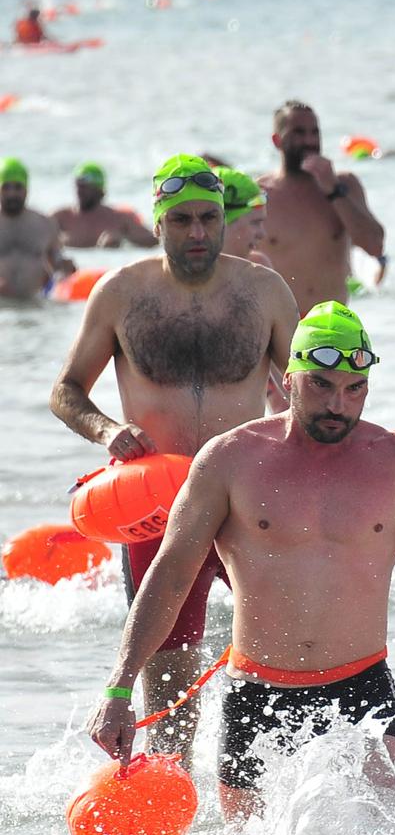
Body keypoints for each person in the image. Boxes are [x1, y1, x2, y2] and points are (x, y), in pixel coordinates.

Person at [88, 302, 395, 819]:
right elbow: (169, 577)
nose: (339, 404)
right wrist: (119, 687)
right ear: (288, 379)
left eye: (354, 389)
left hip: (362, 689)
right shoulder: (228, 460)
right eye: (322, 385)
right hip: (255, 694)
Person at [52, 156, 298, 758]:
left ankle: (255, 813)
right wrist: (108, 430)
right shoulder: (121, 294)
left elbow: (305, 392)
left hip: (248, 495)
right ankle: (173, 811)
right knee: (168, 683)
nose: (196, 233)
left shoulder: (262, 292)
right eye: (182, 219)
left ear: (223, 219)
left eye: (208, 219)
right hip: (157, 506)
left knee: (283, 663)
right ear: (157, 223)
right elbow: (66, 392)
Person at [259, 100, 388, 312]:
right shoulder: (261, 194)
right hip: (281, 327)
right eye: (298, 133)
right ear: (277, 140)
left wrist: (333, 189)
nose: (309, 141)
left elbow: (375, 245)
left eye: (314, 132)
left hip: (332, 325)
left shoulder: (345, 185)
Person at [0, 158, 74, 299]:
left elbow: (58, 264)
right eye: (6, 187)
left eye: (18, 187)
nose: (12, 194)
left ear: (27, 189)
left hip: (36, 309)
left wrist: (67, 268)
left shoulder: (45, 224)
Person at [53, 162, 159, 250]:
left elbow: (154, 240)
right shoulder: (61, 218)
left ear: (100, 191)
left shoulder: (120, 219)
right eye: (78, 187)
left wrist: (124, 237)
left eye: (85, 188)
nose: (80, 192)